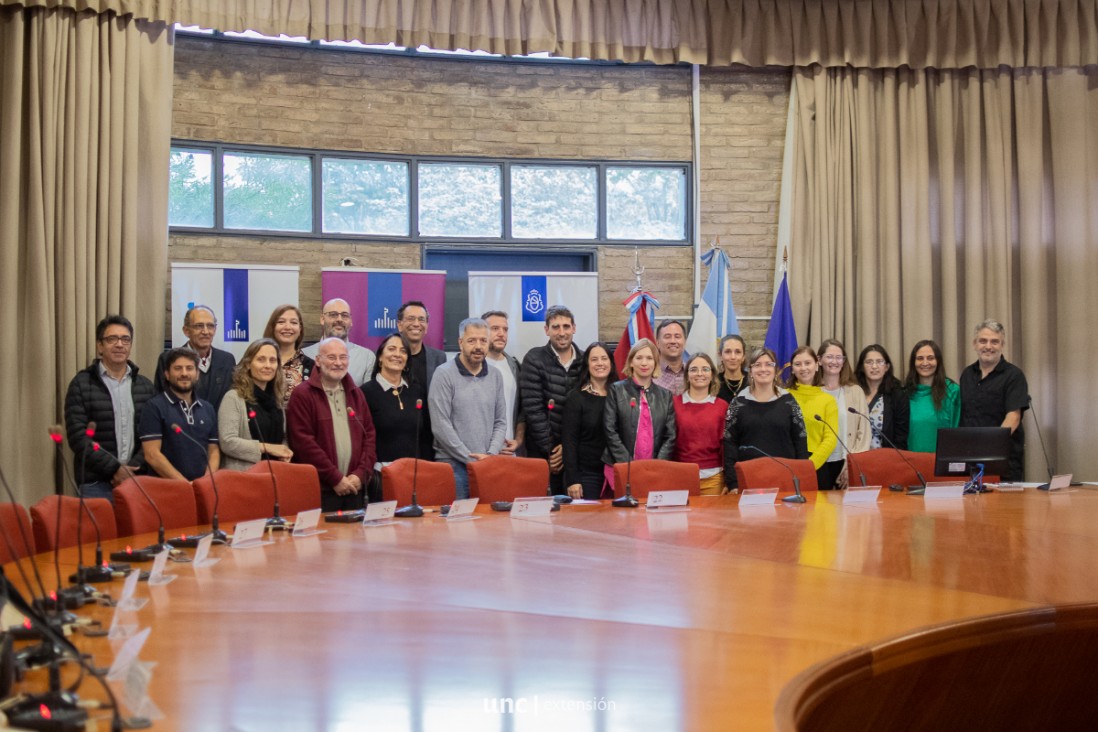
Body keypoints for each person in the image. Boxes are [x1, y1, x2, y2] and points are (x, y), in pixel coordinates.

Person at [63, 315, 156, 501]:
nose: (119, 344)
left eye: (125, 339)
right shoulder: (81, 384)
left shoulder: (145, 386)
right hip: (95, 483)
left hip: (137, 480)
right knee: (98, 531)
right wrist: (115, 469)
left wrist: (132, 469)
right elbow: (78, 437)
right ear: (100, 346)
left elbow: (152, 435)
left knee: (139, 531)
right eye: (112, 339)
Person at [287, 338, 377, 512]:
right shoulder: (302, 395)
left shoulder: (356, 394)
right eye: (331, 357)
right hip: (321, 491)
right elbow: (303, 444)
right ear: (318, 360)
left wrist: (360, 475)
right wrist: (335, 478)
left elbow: (369, 437)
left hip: (354, 489)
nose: (338, 363)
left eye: (343, 357)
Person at [428, 318, 507, 500]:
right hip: (453, 466)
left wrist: (490, 455)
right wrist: (471, 458)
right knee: (458, 526)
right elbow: (441, 426)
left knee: (488, 523)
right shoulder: (443, 374)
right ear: (460, 342)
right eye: (472, 341)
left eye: (483, 341)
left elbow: (500, 421)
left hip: (487, 464)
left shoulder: (495, 376)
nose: (478, 346)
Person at [723, 347, 810, 492]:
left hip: (785, 478)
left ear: (776, 370)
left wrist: (801, 478)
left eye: (769, 364)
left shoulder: (789, 401)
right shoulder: (738, 403)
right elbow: (729, 444)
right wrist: (733, 483)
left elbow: (800, 441)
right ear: (750, 371)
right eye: (757, 365)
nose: (763, 369)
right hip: (749, 478)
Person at [520, 305, 583, 495]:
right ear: (546, 330)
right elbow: (533, 410)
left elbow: (588, 410)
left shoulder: (585, 361)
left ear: (574, 328)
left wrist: (568, 449)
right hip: (542, 453)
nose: (561, 332)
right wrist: (554, 450)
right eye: (555, 327)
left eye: (566, 326)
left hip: (576, 453)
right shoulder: (534, 358)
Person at [959, 319, 1029, 481]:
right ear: (974, 344)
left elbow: (1014, 417)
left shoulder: (1014, 376)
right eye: (983, 341)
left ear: (1002, 344)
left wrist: (989, 446)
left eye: (994, 342)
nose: (988, 346)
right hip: (971, 460)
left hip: (1004, 460)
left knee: (1005, 506)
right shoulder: (967, 375)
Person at [140, 348, 220, 481]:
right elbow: (152, 455)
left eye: (189, 368)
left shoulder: (208, 408)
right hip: (167, 489)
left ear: (197, 373)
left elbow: (214, 451)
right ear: (167, 374)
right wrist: (185, 485)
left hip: (203, 487)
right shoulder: (154, 406)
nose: (184, 373)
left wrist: (207, 480)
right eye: (178, 368)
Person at [218, 338, 292, 471]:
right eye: (261, 359)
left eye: (272, 360)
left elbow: (283, 438)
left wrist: (284, 452)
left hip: (275, 475)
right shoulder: (234, 398)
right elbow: (227, 442)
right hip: (244, 478)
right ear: (247, 364)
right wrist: (267, 447)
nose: (268, 365)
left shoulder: (277, 400)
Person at [603, 338, 676, 474]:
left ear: (655, 363)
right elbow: (610, 430)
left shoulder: (666, 396)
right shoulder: (616, 390)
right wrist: (628, 466)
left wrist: (658, 465)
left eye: (649, 358)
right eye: (639, 358)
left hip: (654, 470)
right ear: (631, 361)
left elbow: (670, 436)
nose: (644, 363)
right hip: (620, 467)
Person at [361, 332, 432, 467]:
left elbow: (426, 436)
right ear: (380, 357)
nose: (397, 355)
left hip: (415, 473)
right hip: (380, 473)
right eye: (391, 349)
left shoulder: (417, 391)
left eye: (403, 351)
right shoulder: (365, 392)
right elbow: (361, 439)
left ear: (407, 361)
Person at [561, 343, 618, 500]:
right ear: (587, 364)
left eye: (604, 358)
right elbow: (569, 441)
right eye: (594, 359)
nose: (600, 363)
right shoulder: (576, 398)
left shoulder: (621, 395)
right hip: (587, 476)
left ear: (611, 363)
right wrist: (573, 479)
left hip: (616, 473)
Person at [155, 305, 236, 410]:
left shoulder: (227, 360)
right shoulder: (167, 359)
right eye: (199, 326)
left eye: (210, 326)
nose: (206, 332)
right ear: (186, 331)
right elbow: (162, 403)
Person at [816, 339, 870, 488]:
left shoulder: (855, 392)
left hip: (847, 461)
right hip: (820, 463)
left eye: (839, 357)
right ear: (819, 360)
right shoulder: (813, 391)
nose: (834, 361)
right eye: (829, 357)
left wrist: (853, 464)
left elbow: (864, 432)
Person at [672, 353, 729, 495]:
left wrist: (729, 479)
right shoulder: (674, 404)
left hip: (713, 478)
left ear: (712, 374)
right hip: (681, 476)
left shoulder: (722, 406)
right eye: (694, 369)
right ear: (686, 375)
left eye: (705, 369)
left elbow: (727, 445)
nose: (699, 374)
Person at [784, 346, 840, 487]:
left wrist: (810, 465)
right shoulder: (782, 396)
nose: (803, 368)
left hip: (816, 466)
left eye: (807, 363)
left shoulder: (828, 400)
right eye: (798, 364)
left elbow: (830, 439)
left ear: (816, 365)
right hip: (787, 464)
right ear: (792, 369)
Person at [301, 299, 375, 387]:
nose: (339, 319)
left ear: (351, 321)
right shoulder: (303, 355)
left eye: (344, 315)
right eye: (333, 315)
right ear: (322, 319)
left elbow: (367, 397)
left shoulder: (367, 357)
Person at [904, 339, 961, 453]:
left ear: (938, 361)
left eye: (930, 358)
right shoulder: (905, 394)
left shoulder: (952, 391)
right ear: (913, 363)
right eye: (920, 358)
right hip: (910, 461)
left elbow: (957, 431)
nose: (925, 363)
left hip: (942, 462)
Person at [482, 310, 525, 456]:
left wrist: (518, 440)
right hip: (479, 453)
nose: (501, 333)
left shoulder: (515, 367)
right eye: (495, 329)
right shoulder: (471, 366)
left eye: (505, 329)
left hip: (509, 452)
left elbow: (522, 411)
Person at [854, 344, 909, 450]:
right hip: (855, 457)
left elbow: (900, 438)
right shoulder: (852, 392)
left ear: (887, 367)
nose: (874, 366)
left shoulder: (898, 396)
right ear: (862, 367)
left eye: (879, 362)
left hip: (885, 460)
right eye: (869, 362)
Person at [263, 304, 313, 396]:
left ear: (300, 329)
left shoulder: (313, 367)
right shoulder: (256, 360)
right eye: (281, 322)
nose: (287, 327)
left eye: (293, 323)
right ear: (272, 327)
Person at [397, 300, 447, 390]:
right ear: (400, 325)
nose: (416, 324)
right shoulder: (385, 356)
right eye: (411, 319)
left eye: (421, 319)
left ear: (427, 326)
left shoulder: (439, 358)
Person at [653, 319, 687, 396]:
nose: (673, 341)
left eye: (677, 336)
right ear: (657, 343)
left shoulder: (694, 373)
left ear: (685, 342)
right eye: (667, 337)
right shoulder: (649, 373)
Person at [716, 334, 748, 403]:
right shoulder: (714, 382)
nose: (733, 357)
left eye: (738, 352)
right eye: (728, 352)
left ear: (743, 357)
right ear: (720, 356)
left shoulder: (753, 381)